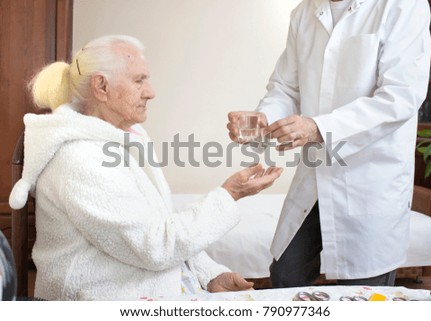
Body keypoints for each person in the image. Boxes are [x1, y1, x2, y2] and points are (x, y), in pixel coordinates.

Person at [8, 35, 283, 300]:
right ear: (102, 87)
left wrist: (209, 274)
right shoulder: (79, 160)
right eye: (139, 80)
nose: (151, 92)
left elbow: (157, 221)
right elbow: (157, 245)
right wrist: (230, 193)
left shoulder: (128, 137)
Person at [227, 0, 431, 287]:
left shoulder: (402, 5)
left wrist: (317, 128)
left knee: (362, 295)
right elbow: (286, 88)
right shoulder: (304, 13)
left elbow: (399, 98)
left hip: (368, 182)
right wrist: (264, 119)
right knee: (286, 275)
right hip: (314, 177)